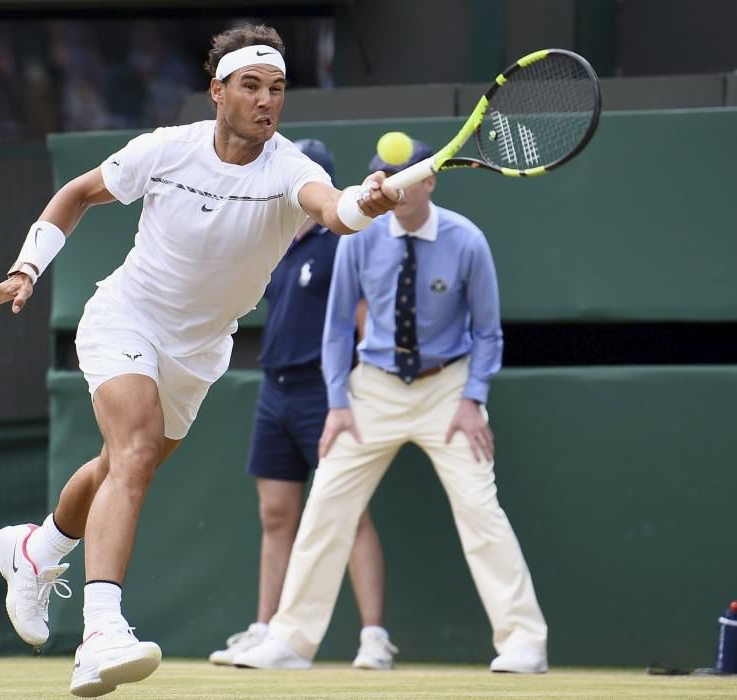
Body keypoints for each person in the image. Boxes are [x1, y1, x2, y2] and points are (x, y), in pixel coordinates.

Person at [0, 24, 401, 698]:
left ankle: (36, 550)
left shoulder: (290, 169)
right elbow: (77, 193)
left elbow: (332, 210)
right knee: (131, 453)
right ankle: (100, 631)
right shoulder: (167, 150)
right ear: (216, 91)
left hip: (199, 352)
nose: (265, 101)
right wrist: (26, 269)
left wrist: (362, 203)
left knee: (116, 467)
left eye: (276, 89)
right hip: (126, 318)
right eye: (250, 86)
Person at [234, 139, 549, 673]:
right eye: (380, 176)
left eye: (403, 176)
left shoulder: (466, 241)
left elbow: (489, 333)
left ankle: (524, 642)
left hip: (447, 390)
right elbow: (337, 328)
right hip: (373, 389)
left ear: (430, 182)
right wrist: (338, 403)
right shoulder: (359, 238)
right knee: (327, 505)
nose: (390, 186)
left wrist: (473, 399)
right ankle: (291, 640)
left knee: (479, 508)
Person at [208, 139, 396, 671]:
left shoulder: (344, 243)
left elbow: (363, 320)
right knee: (275, 515)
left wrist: (358, 393)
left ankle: (374, 638)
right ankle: (267, 628)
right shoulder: (275, 247)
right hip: (276, 390)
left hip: (328, 392)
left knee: (348, 513)